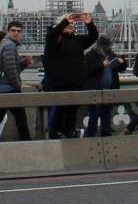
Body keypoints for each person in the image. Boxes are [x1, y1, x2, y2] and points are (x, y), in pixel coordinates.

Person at [42, 11, 98, 139]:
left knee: (72, 111)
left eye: (72, 26)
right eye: (68, 25)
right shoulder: (55, 39)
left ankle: (70, 131)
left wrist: (89, 24)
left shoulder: (76, 40)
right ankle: (54, 133)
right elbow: (51, 36)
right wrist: (65, 21)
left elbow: (93, 37)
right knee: (60, 110)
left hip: (76, 81)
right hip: (60, 82)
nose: (70, 27)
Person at [0, 21, 32, 142]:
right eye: (13, 30)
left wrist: (23, 63)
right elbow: (10, 70)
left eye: (19, 31)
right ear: (8, 31)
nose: (16, 33)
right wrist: (18, 85)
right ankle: (27, 142)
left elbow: (10, 66)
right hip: (9, 89)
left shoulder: (6, 44)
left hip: (1, 88)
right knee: (19, 119)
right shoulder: (10, 46)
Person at [82, 36, 124, 138]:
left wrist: (122, 62)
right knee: (94, 115)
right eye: (107, 46)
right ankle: (90, 135)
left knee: (106, 114)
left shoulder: (111, 54)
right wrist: (101, 65)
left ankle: (106, 134)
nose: (109, 48)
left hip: (108, 90)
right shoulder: (91, 54)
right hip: (95, 89)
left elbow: (121, 69)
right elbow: (86, 70)